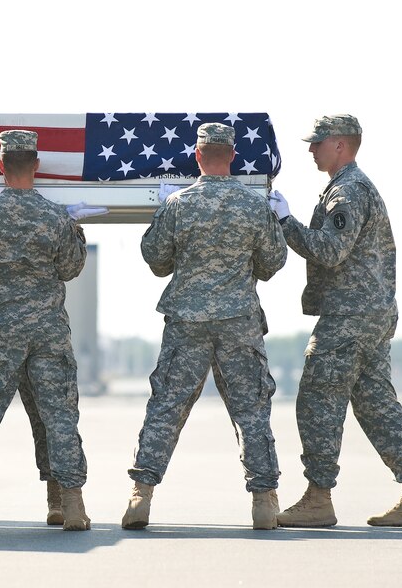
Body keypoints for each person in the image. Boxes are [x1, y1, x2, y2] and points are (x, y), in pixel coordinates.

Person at [269, 114, 402, 527]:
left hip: (351, 315)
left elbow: (329, 251)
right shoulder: (349, 188)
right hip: (371, 312)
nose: (311, 150)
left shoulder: (348, 191)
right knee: (375, 402)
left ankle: (318, 497)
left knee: (317, 396)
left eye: (318, 143)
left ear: (340, 145)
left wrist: (285, 222)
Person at [122, 122, 287, 531]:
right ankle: (264, 503)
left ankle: (140, 497)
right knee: (251, 413)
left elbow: (157, 260)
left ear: (198, 155)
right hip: (239, 323)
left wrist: (165, 215)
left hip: (187, 323)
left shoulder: (179, 204)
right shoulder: (254, 206)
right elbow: (272, 263)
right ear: (232, 156)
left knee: (166, 409)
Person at [0, 130, 92, 532]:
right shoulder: (55, 216)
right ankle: (73, 507)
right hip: (47, 333)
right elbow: (70, 269)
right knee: (59, 416)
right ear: (37, 166)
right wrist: (76, 231)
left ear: (0, 166)